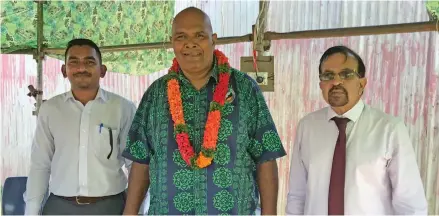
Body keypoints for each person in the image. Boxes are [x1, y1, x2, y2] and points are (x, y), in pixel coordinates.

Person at [122, 7, 286, 215]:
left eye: (199, 35)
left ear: (213, 39)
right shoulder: (155, 95)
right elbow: (140, 161)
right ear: (172, 41)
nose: (190, 43)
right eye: (181, 36)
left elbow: (266, 158)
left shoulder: (245, 90)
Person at [285, 45, 428, 215]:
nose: (336, 82)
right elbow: (297, 196)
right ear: (321, 84)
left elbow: (409, 203)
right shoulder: (307, 127)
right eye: (328, 75)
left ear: (362, 83)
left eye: (346, 74)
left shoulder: (389, 129)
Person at [25, 38, 137, 215]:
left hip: (111, 206)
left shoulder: (123, 108)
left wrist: (134, 209)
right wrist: (31, 211)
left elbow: (135, 164)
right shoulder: (50, 110)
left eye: (89, 62)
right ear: (64, 70)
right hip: (60, 207)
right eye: (74, 62)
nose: (81, 68)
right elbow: (40, 165)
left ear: (102, 70)